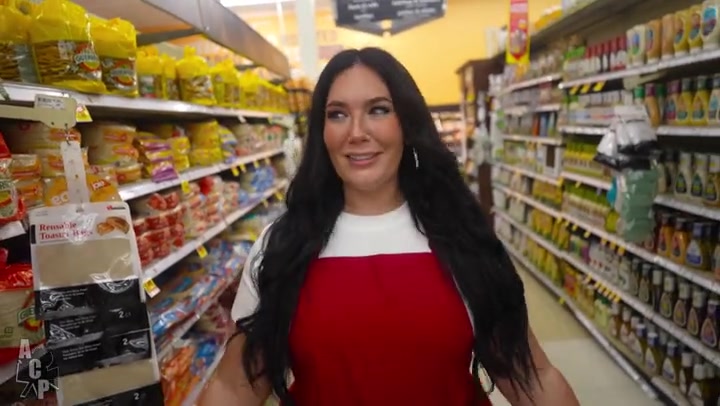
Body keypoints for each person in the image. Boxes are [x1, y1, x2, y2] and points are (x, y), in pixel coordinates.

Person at [198, 47, 579, 406]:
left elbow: (531, 376)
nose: (356, 132)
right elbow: (234, 387)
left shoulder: (462, 238)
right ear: (321, 132)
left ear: (407, 124)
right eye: (337, 114)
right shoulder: (281, 247)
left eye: (378, 110)